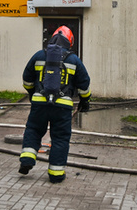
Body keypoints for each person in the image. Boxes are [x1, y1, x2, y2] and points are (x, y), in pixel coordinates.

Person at [19, 26, 91, 183]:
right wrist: (85, 100)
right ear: (70, 42)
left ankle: (27, 160)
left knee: (33, 130)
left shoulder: (39, 55)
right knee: (60, 138)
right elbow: (84, 83)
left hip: (39, 103)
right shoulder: (73, 60)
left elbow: (26, 78)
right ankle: (56, 174)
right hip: (62, 106)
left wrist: (33, 93)